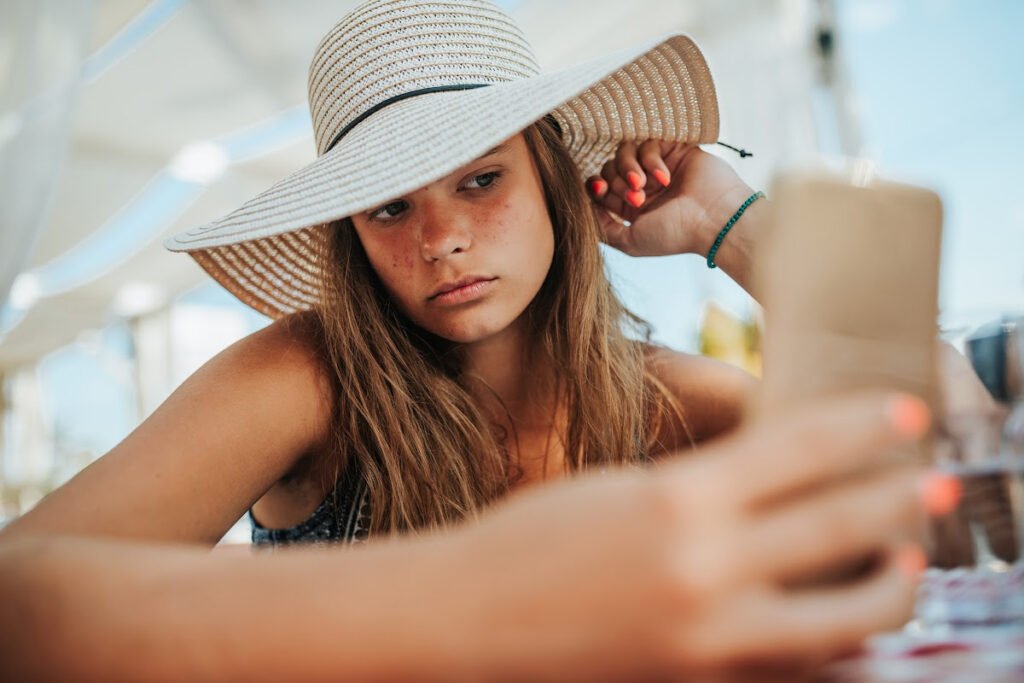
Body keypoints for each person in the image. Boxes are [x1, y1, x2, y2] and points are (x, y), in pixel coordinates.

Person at [0, 1, 958, 680]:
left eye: (479, 180)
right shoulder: (311, 375)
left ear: (552, 177)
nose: (442, 237)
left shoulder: (661, 398)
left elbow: (959, 463)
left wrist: (727, 223)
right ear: (355, 241)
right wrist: (473, 601)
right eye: (388, 204)